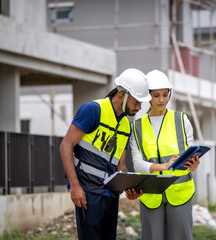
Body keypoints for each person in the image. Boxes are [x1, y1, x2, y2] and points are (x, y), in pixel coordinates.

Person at [60, 68, 151, 240]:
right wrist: (75, 186)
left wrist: (130, 188)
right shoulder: (93, 110)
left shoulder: (126, 125)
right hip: (88, 193)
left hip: (111, 195)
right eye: (137, 102)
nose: (139, 108)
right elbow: (65, 145)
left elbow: (121, 166)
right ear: (122, 95)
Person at [130, 70, 200, 240]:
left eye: (164, 95)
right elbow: (137, 162)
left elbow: (190, 150)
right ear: (148, 97)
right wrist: (162, 167)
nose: (161, 100)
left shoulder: (181, 119)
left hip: (179, 192)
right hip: (151, 193)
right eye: (156, 96)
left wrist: (194, 165)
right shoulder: (137, 126)